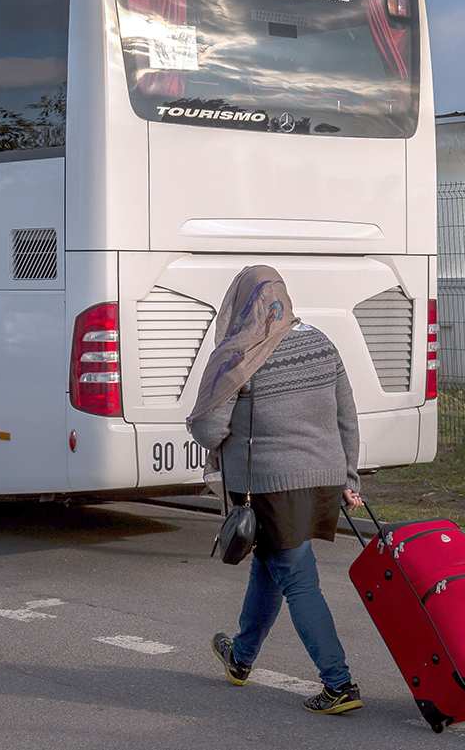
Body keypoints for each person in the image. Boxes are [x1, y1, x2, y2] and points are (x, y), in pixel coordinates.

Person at [188, 265, 364, 716]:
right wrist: (350, 478)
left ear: (241, 304)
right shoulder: (321, 342)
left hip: (269, 486)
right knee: (269, 565)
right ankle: (241, 658)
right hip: (323, 478)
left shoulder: (239, 354)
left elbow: (209, 431)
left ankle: (338, 683)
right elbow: (346, 415)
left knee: (299, 579)